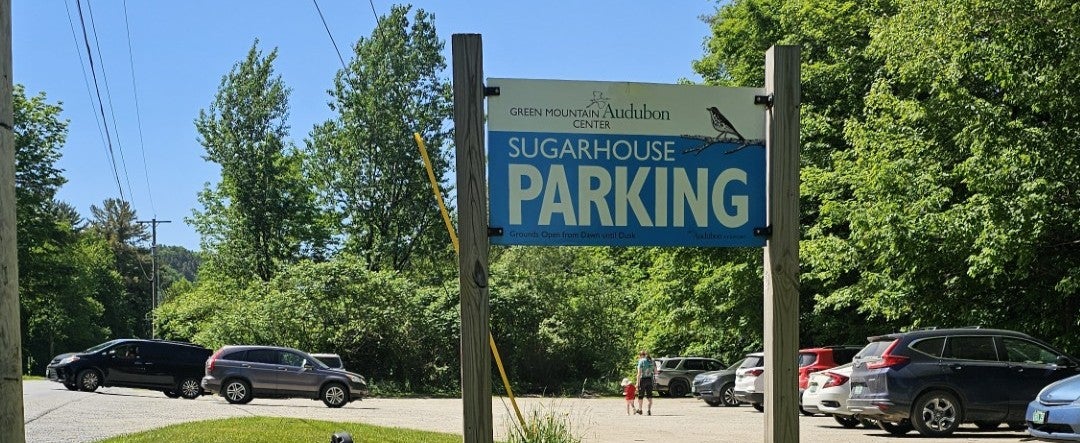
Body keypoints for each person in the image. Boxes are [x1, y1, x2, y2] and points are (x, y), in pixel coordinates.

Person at [635, 350, 654, 415]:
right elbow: (656, 372)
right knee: (649, 396)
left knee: (640, 396)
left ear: (641, 355)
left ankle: (640, 410)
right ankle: (649, 410)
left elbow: (639, 373)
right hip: (649, 380)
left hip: (642, 380)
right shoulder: (652, 361)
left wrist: (637, 383)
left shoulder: (641, 361)